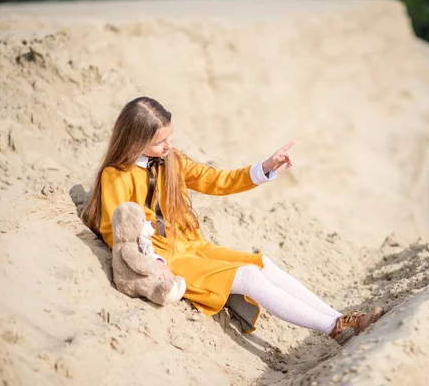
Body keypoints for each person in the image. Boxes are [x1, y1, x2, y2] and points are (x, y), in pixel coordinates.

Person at [82, 97, 383, 346]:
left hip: (191, 245)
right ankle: (332, 327)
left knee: (262, 263)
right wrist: (155, 260)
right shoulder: (116, 175)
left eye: (171, 137)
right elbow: (117, 230)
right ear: (135, 140)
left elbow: (217, 180)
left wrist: (265, 167)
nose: (169, 146)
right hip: (165, 256)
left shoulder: (173, 161)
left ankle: (345, 319)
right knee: (249, 277)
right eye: (161, 142)